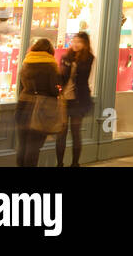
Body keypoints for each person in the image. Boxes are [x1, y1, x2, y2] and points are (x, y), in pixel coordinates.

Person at [16, 38, 60, 167]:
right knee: (33, 147)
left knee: (23, 145)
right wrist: (58, 92)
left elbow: (21, 86)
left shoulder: (27, 62)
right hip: (41, 109)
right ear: (50, 50)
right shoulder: (51, 65)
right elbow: (53, 89)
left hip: (23, 105)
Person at [56, 32, 94, 167]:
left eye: (79, 42)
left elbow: (83, 76)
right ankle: (59, 163)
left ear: (85, 44)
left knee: (76, 133)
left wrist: (73, 64)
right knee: (61, 133)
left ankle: (75, 163)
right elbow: (61, 77)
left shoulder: (88, 58)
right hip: (65, 100)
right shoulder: (66, 57)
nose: (76, 44)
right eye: (74, 41)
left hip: (79, 100)